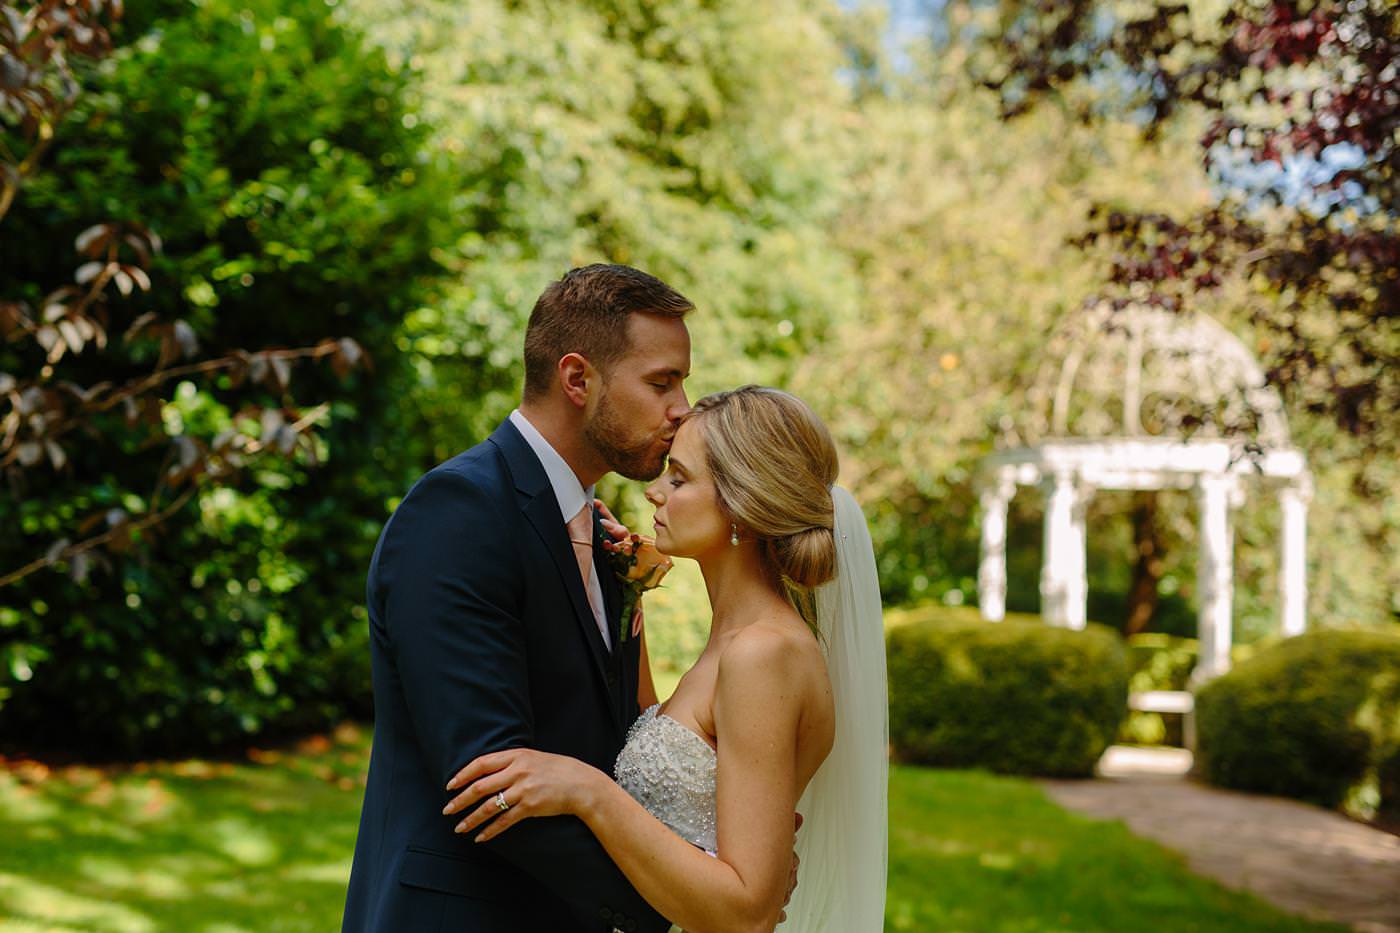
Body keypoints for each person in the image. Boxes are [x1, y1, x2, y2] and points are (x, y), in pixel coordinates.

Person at [442, 386, 890, 933]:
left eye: (678, 478)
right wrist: (630, 594)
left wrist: (588, 792)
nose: (654, 493)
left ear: (742, 511)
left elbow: (746, 913)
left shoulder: (763, 654)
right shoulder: (735, 641)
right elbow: (673, 760)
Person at [341, 264, 695, 932]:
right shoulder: (459, 512)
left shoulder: (598, 530)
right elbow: (490, 782)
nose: (682, 407)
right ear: (577, 378)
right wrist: (678, 898)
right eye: (662, 381)